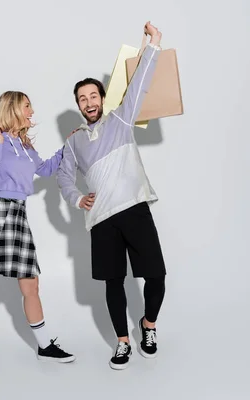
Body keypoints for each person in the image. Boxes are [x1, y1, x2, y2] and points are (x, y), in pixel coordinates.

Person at [56, 21, 167, 370]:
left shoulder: (120, 120)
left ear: (102, 98)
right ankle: (122, 342)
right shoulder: (73, 141)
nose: (88, 102)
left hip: (134, 209)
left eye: (93, 95)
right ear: (78, 104)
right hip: (101, 219)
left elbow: (140, 85)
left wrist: (154, 43)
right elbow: (63, 177)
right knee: (113, 282)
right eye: (82, 98)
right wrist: (76, 199)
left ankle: (148, 326)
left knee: (156, 275)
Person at [0, 90, 75, 387]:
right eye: (27, 106)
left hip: (18, 216)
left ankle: (45, 346)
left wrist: (68, 146)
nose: (32, 111)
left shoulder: (24, 144)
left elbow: (44, 169)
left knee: (31, 285)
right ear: (14, 108)